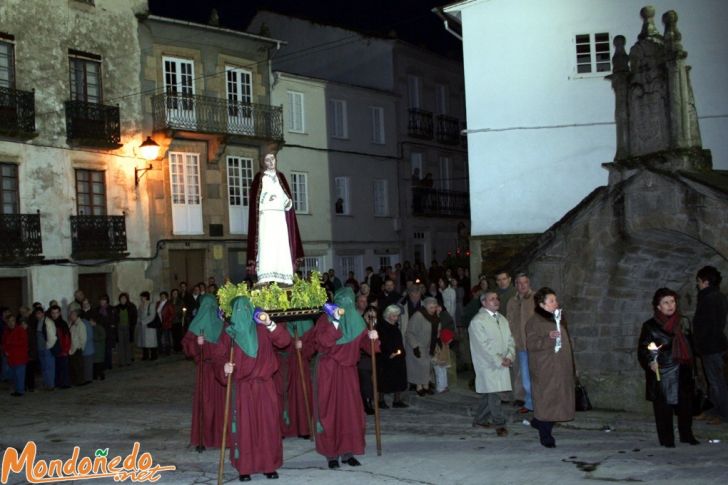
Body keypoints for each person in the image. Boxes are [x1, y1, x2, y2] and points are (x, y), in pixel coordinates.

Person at [220, 296, 291, 481]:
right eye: (239, 310)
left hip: (265, 386)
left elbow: (284, 341)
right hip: (243, 389)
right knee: (245, 428)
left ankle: (269, 465)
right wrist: (224, 368)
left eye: (246, 309)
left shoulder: (262, 329)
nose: (242, 313)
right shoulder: (230, 334)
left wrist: (269, 323)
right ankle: (245, 467)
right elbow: (220, 358)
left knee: (268, 426)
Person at [312, 288, 379, 469]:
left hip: (348, 372)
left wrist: (373, 338)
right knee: (330, 412)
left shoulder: (357, 321)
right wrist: (335, 323)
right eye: (342, 303)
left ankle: (348, 452)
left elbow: (366, 344)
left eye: (349, 302)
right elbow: (323, 342)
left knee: (349, 413)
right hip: (329, 370)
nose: (346, 307)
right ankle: (331, 454)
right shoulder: (325, 319)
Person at [638, 288, 699, 447]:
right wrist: (651, 361)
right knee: (663, 408)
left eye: (672, 301)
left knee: (685, 406)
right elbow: (646, 347)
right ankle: (667, 439)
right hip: (664, 370)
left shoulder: (683, 321)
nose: (670, 305)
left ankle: (687, 435)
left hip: (683, 369)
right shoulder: (651, 326)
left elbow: (691, 344)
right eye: (665, 302)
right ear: (658, 306)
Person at [526, 287, 575, 448]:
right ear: (542, 304)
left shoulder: (558, 318)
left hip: (561, 367)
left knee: (558, 400)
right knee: (546, 401)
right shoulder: (534, 322)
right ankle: (545, 433)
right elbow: (532, 345)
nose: (556, 303)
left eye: (556, 300)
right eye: (552, 301)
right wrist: (548, 338)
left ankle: (539, 422)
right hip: (545, 368)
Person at [246, 152, 304, 285]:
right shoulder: (259, 179)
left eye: (273, 159)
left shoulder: (281, 177)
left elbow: (287, 199)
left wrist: (287, 202)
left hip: (279, 217)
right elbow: (255, 201)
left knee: (281, 245)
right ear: (263, 162)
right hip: (266, 218)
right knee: (267, 245)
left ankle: (284, 275)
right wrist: (268, 199)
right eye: (267, 159)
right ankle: (265, 276)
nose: (271, 162)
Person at [182, 294, 229, 450]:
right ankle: (204, 438)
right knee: (206, 404)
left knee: (218, 404)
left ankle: (221, 437)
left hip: (218, 369)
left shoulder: (221, 324)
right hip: (207, 369)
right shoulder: (198, 326)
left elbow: (228, 345)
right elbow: (188, 348)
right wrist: (197, 344)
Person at [469, 291, 515, 437]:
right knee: (494, 395)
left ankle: (480, 419)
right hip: (487, 364)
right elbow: (483, 346)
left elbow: (510, 340)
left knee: (490, 394)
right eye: (492, 299)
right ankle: (500, 423)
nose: (496, 301)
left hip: (502, 362)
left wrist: (509, 356)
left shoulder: (502, 319)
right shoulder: (478, 321)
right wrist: (499, 360)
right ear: (483, 302)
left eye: (497, 298)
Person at [692, 266, 728, 424]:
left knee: (717, 383)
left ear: (706, 282)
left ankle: (723, 414)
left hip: (712, 347)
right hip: (711, 346)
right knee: (713, 382)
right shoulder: (714, 296)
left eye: (699, 281)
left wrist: (700, 343)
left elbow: (710, 325)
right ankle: (714, 411)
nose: (698, 284)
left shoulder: (710, 298)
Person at [278, 319, 316, 439]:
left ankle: (304, 428)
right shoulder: (281, 322)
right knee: (282, 394)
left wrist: (303, 347)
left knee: (301, 393)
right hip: (283, 364)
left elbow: (313, 345)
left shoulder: (308, 324)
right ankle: (283, 428)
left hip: (300, 364)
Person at [506, 273, 535, 413]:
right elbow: (509, 322)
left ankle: (532, 404)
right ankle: (529, 402)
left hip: (535, 344)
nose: (522, 285)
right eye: (519, 283)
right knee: (524, 377)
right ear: (515, 285)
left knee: (535, 376)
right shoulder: (512, 301)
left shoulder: (536, 299)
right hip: (520, 344)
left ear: (528, 283)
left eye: (524, 282)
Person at [405, 297, 439, 396]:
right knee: (420, 366)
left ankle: (426, 386)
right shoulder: (418, 316)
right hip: (417, 345)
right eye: (431, 307)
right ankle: (419, 386)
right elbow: (409, 332)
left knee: (428, 366)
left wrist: (437, 341)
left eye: (435, 307)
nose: (433, 310)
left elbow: (436, 330)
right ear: (425, 306)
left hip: (428, 346)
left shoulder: (434, 316)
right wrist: (415, 346)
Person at [377, 305, 408, 408]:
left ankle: (397, 400)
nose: (396, 318)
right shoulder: (382, 327)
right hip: (387, 357)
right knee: (385, 379)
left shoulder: (395, 327)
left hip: (398, 357)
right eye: (394, 316)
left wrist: (401, 352)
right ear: (389, 315)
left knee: (399, 378)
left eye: (397, 316)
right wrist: (388, 354)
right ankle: (380, 400)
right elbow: (382, 343)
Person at [2, 315, 28, 396]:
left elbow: (23, 342)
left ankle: (20, 391)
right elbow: (4, 342)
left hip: (19, 356)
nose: (11, 323)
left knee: (19, 374)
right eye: (9, 321)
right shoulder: (6, 331)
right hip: (11, 356)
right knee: (14, 375)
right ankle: (17, 390)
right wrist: (5, 350)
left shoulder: (20, 330)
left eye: (12, 320)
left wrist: (11, 343)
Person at [34, 307, 56, 390]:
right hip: (41, 348)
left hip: (47, 348)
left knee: (49, 367)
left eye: (39, 313)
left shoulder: (48, 322)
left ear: (43, 313)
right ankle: (47, 383)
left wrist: (48, 346)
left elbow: (52, 337)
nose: (38, 315)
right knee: (44, 367)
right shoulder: (39, 322)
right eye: (37, 313)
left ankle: (50, 385)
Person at [49, 305, 71, 389]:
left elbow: (67, 338)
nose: (54, 315)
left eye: (56, 313)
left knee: (63, 368)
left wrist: (65, 350)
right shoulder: (50, 323)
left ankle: (65, 383)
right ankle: (58, 383)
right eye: (53, 313)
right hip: (54, 349)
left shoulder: (63, 324)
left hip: (62, 350)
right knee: (56, 368)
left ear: (59, 313)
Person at [115, 293, 137, 367]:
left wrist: (132, 325)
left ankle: (128, 361)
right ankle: (121, 362)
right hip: (119, 327)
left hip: (128, 327)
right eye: (121, 298)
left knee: (127, 344)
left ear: (127, 299)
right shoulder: (117, 307)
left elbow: (134, 317)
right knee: (120, 345)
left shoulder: (131, 307)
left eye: (124, 298)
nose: (123, 300)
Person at [136, 291, 158, 361]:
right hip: (142, 326)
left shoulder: (151, 304)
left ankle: (153, 355)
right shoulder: (141, 305)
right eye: (141, 297)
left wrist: (143, 322)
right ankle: (145, 355)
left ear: (146, 297)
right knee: (143, 341)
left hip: (149, 326)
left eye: (142, 297)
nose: (141, 298)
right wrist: (139, 321)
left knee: (151, 341)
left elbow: (152, 315)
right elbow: (138, 314)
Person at [68, 310, 87, 387]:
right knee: (73, 366)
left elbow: (83, 338)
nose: (71, 316)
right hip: (72, 348)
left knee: (78, 366)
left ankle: (80, 380)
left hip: (77, 348)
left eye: (73, 314)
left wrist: (80, 347)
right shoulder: (71, 324)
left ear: (77, 316)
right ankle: (75, 381)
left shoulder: (80, 324)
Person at [156, 291, 175, 356]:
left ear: (166, 296)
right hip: (158, 323)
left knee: (166, 338)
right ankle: (160, 350)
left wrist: (168, 321)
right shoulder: (158, 303)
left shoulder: (169, 304)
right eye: (161, 296)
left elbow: (172, 314)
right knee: (158, 337)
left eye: (163, 296)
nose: (162, 297)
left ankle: (167, 351)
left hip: (166, 323)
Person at [91, 316, 106, 380]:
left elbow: (103, 336)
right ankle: (96, 375)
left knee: (99, 363)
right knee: (96, 363)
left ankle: (100, 375)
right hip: (96, 348)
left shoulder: (99, 328)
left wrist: (95, 339)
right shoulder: (93, 328)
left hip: (99, 348)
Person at [82, 314, 94, 385]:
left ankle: (88, 378)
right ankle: (88, 378)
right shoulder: (87, 324)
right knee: (88, 364)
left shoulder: (84, 324)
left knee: (87, 364)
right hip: (88, 348)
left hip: (87, 347)